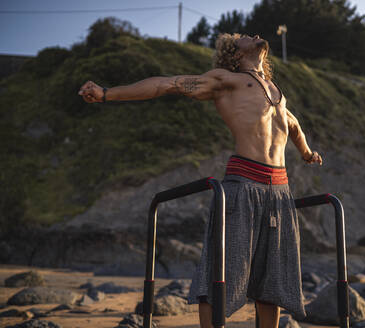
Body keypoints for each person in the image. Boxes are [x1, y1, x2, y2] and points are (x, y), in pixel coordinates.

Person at [78, 33, 322, 328]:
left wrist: (307, 153)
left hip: (280, 193)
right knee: (219, 274)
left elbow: (294, 126)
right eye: (246, 36)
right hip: (243, 183)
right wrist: (106, 93)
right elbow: (165, 84)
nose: (255, 35)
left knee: (273, 283)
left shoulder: (274, 91)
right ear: (235, 53)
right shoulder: (226, 81)